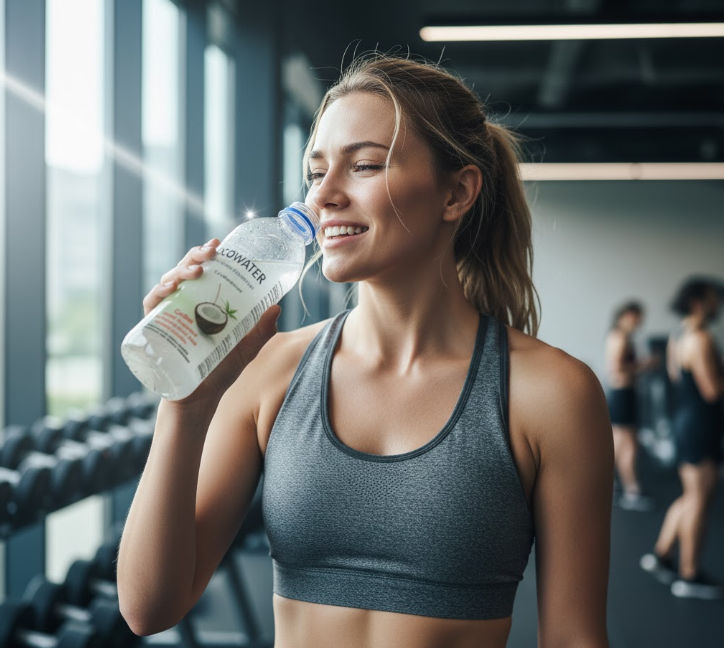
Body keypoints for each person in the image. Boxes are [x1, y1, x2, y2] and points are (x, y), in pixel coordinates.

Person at [117, 53, 613, 648]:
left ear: (456, 192)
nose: (322, 196)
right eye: (316, 170)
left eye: (365, 166)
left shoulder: (551, 394)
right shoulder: (271, 370)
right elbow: (148, 608)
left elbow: (574, 639)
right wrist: (186, 405)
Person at [640, 277, 724, 600]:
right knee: (700, 499)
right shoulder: (701, 338)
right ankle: (689, 575)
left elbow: (680, 379)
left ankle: (661, 555)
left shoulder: (679, 336)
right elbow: (712, 390)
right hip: (700, 425)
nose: (718, 305)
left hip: (687, 421)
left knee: (691, 495)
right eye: (714, 299)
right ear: (698, 302)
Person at [604, 301, 658, 511]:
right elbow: (617, 370)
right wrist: (646, 364)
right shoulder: (620, 337)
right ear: (624, 316)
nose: (637, 322)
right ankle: (632, 492)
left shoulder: (618, 336)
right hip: (623, 394)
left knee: (619, 444)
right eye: (634, 317)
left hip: (622, 395)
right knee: (630, 445)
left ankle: (612, 485)